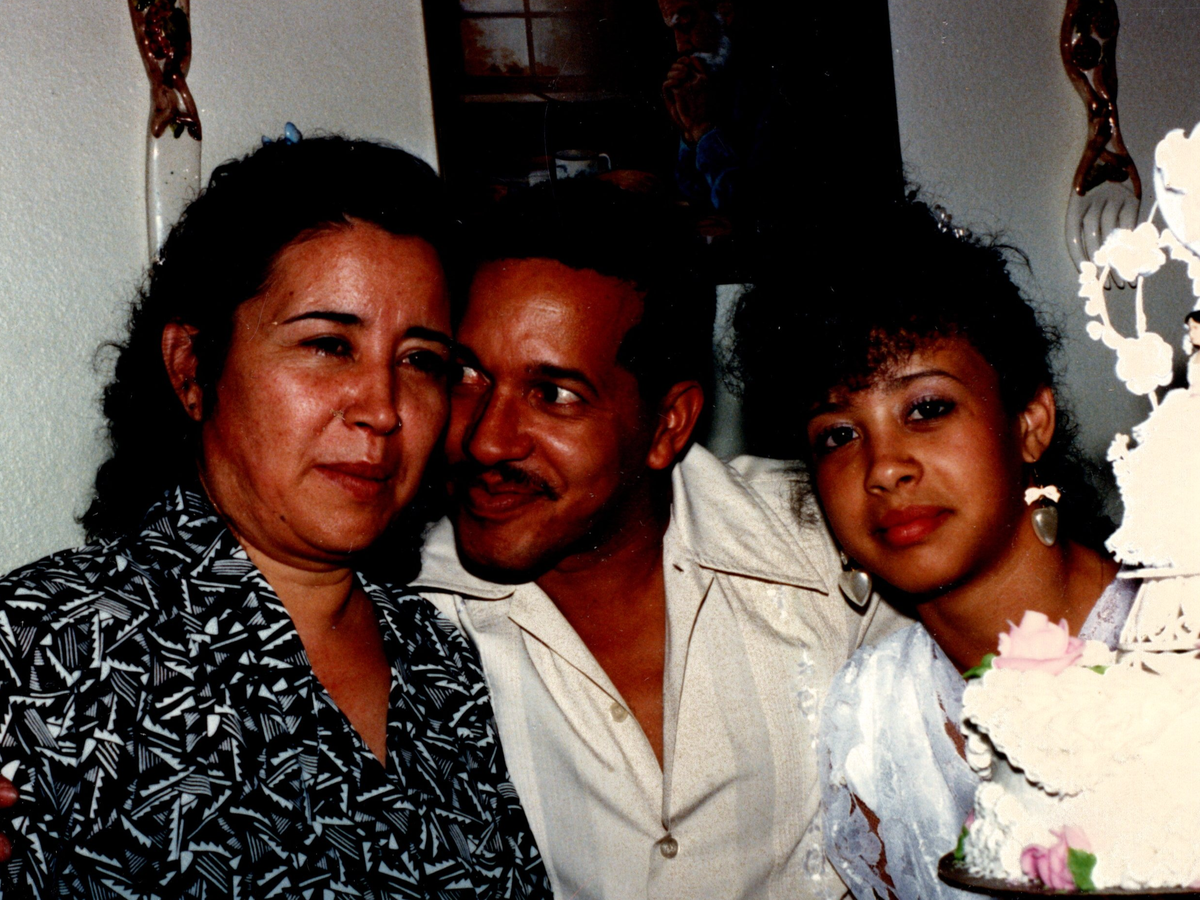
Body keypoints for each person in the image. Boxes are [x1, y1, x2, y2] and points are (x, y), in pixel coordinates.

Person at [0, 136, 551, 898]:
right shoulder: (44, 656)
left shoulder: (443, 664)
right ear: (192, 368)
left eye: (420, 360)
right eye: (328, 345)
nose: (383, 408)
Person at [413, 179, 902, 900]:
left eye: (554, 394)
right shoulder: (405, 616)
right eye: (466, 375)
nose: (487, 439)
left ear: (669, 424)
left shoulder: (827, 545)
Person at [732, 195, 1130, 900]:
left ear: (1030, 424)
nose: (883, 467)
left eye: (926, 408)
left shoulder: (1174, 642)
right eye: (838, 435)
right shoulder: (874, 719)